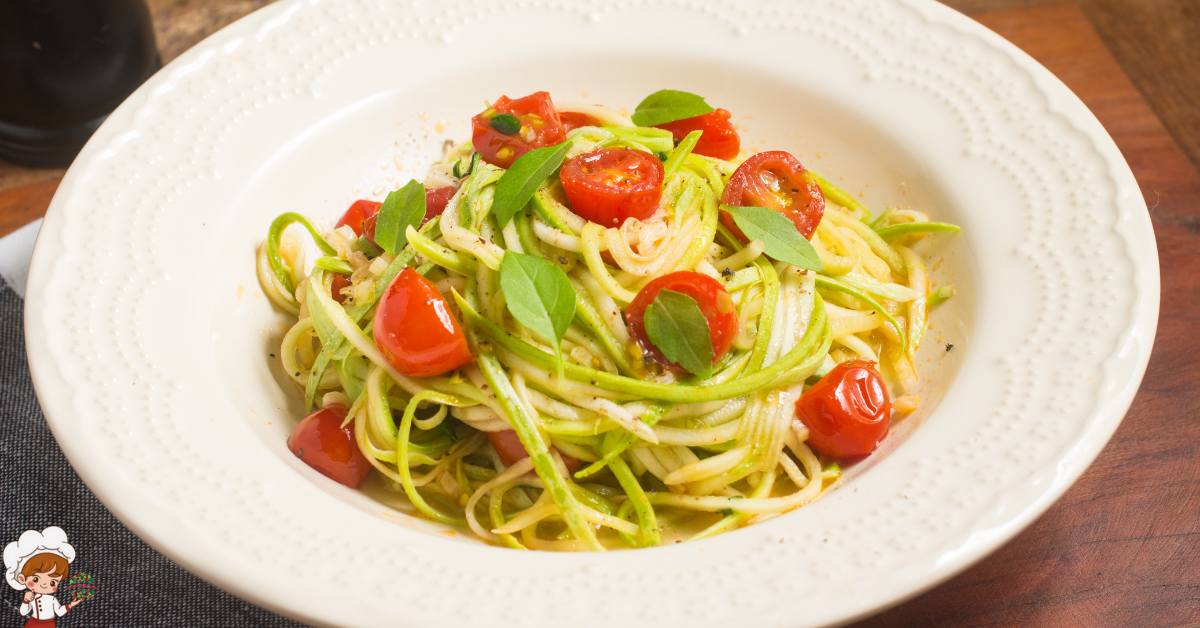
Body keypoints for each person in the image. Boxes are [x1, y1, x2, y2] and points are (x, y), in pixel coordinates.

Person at [3, 527, 86, 627]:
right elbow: (23, 612)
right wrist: (26, 601)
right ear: (21, 579)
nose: (43, 584)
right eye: (36, 579)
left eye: (53, 582)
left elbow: (59, 612)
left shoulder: (52, 600)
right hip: (33, 623)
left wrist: (70, 605)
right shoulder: (32, 598)